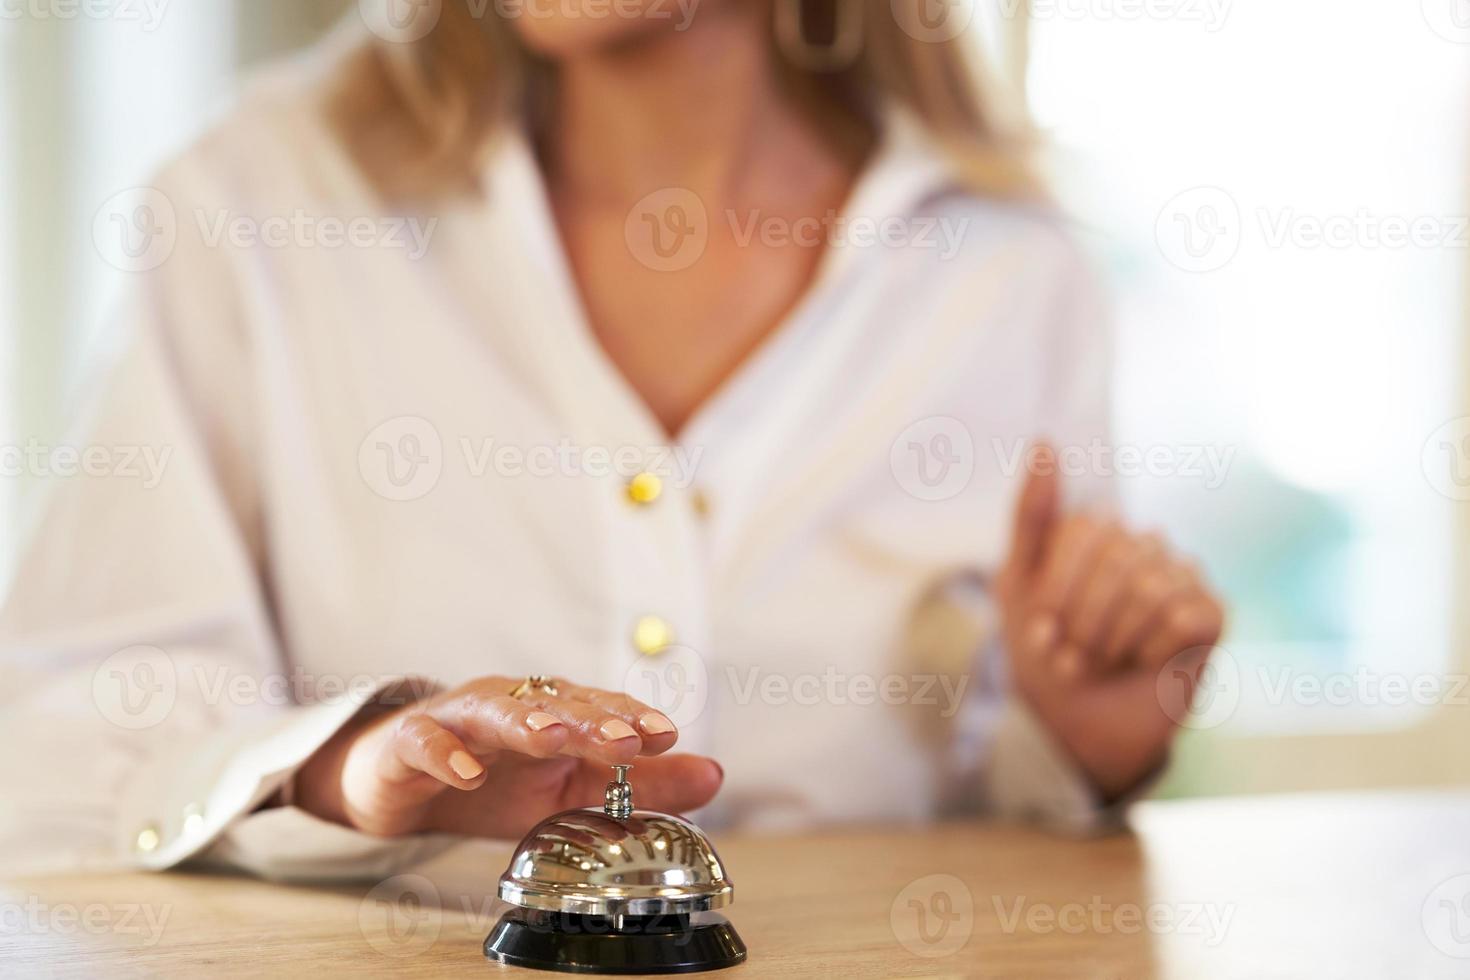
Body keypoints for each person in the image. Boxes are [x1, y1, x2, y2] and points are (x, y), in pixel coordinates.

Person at [0, 0, 1222, 880]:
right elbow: (58, 748)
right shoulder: (250, 212)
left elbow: (991, 815)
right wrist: (335, 777)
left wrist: (1071, 748)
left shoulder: (1013, 275)